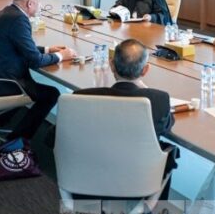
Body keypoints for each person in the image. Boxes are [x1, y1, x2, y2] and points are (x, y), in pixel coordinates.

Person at [74, 38, 178, 199]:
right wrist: (144, 88)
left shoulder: (81, 97)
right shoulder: (158, 100)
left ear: (111, 65)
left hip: (91, 175)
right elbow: (167, 125)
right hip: (138, 180)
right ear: (145, 70)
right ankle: (153, 212)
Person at [0, 0, 77, 142]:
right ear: (30, 4)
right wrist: (61, 56)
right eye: (39, 2)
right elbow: (35, 61)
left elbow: (18, 45)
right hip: (1, 82)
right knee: (51, 95)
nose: (40, 6)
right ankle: (17, 140)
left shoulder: (7, 13)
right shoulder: (19, 20)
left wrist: (47, 49)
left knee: (33, 87)